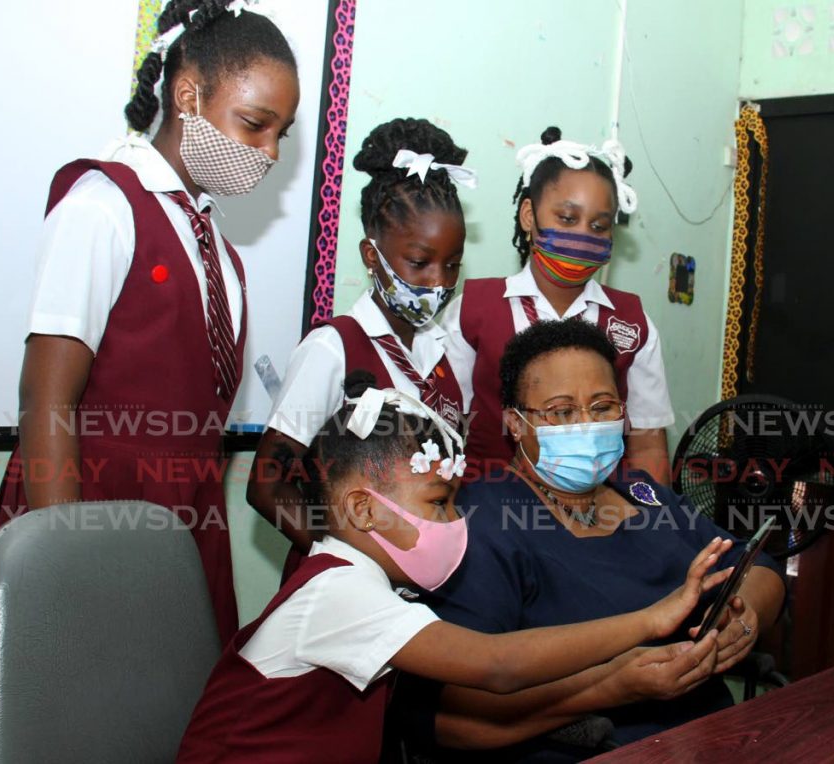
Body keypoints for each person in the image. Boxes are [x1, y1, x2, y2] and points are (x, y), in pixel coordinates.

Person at [0, 3, 299, 761]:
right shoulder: (103, 206)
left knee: (160, 734)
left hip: (181, 539)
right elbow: (47, 399)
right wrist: (68, 571)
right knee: (59, 728)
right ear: (189, 95)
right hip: (85, 525)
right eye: (255, 124)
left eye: (280, 137)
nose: (266, 153)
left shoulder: (220, 255)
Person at [176, 372, 730, 763]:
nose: (455, 521)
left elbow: (489, 708)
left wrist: (617, 680)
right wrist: (650, 621)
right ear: (363, 509)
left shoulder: (371, 587)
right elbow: (497, 667)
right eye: (438, 503)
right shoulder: (339, 591)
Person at [393, 319, 786, 760]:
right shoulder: (484, 524)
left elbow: (760, 569)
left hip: (715, 738)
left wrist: (743, 617)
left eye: (602, 407)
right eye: (561, 412)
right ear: (515, 424)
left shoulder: (643, 492)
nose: (586, 425)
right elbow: (448, 720)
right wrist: (609, 689)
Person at [247, 117, 476, 557]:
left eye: (452, 264)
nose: (438, 281)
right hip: (350, 590)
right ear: (372, 255)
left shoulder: (447, 352)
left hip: (425, 585)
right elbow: (266, 485)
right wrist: (345, 562)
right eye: (419, 262)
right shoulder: (332, 349)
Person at [442, 126, 674, 484]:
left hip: (600, 520)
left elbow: (648, 445)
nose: (582, 235)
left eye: (599, 225)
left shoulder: (631, 322)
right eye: (567, 218)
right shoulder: (473, 310)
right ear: (528, 216)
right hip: (489, 512)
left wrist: (653, 524)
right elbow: (444, 429)